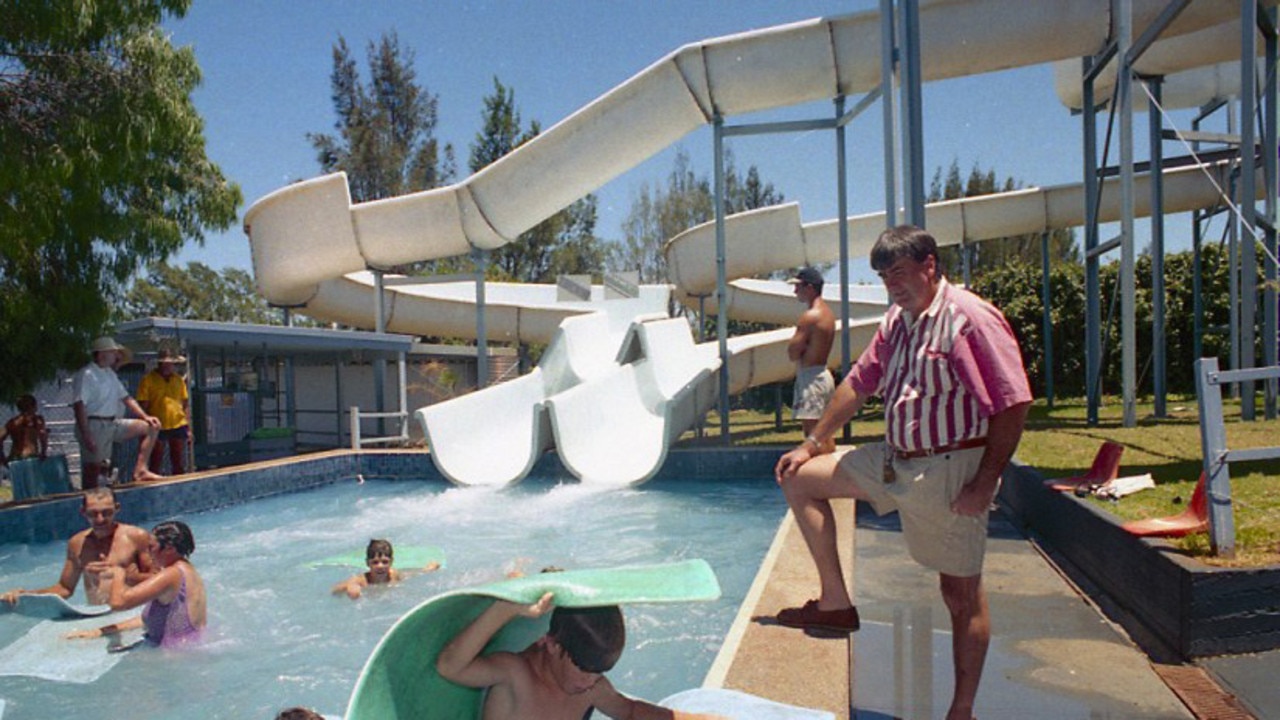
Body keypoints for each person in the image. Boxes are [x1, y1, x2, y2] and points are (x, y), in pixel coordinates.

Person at [773, 225, 1032, 720]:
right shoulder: (898, 319)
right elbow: (859, 383)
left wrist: (983, 483)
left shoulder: (970, 318)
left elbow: (1012, 403)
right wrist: (810, 444)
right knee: (798, 478)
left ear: (929, 265)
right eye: (882, 274)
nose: (891, 283)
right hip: (894, 460)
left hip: (950, 468)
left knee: (959, 593)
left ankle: (962, 710)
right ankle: (835, 604)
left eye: (899, 271)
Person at [437, 593, 725, 720]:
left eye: (600, 671)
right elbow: (450, 666)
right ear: (552, 644)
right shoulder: (515, 674)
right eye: (584, 668)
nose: (591, 681)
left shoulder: (592, 687)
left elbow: (630, 712)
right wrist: (505, 609)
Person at [0, 486, 155, 606]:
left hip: (131, 611)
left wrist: (126, 576)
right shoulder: (77, 543)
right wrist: (26, 595)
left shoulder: (137, 537)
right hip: (96, 614)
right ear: (83, 512)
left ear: (117, 508)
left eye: (106, 512)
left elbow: (161, 580)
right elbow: (65, 588)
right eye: (93, 514)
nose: (100, 519)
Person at [65, 520, 206, 647]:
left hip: (172, 656)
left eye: (152, 547)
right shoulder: (189, 570)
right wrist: (100, 631)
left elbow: (118, 603)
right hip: (187, 648)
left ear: (169, 548)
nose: (149, 552)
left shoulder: (171, 574)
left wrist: (118, 573)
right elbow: (155, 618)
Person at [72, 336, 164, 487]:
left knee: (150, 427)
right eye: (113, 352)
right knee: (94, 468)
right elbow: (79, 404)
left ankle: (140, 470)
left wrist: (146, 417)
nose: (116, 356)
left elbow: (127, 398)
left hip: (113, 423)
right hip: (94, 424)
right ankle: (89, 500)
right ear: (102, 354)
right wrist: (86, 434)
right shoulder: (87, 374)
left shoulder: (110, 374)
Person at [786, 266, 837, 455]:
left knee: (812, 433)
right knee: (824, 432)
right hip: (822, 374)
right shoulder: (828, 314)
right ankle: (831, 475)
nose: (795, 291)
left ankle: (821, 478)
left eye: (798, 286)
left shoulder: (810, 317)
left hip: (811, 378)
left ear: (810, 287)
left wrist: (799, 347)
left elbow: (792, 352)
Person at [135, 349, 192, 476]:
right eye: (165, 363)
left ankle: (179, 485)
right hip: (157, 424)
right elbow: (143, 405)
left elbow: (185, 404)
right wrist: (143, 426)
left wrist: (188, 427)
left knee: (178, 460)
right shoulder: (148, 380)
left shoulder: (178, 380)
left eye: (171, 363)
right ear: (159, 364)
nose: (168, 366)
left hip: (178, 423)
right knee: (156, 459)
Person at [331, 538, 440, 600]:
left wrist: (427, 570)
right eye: (375, 562)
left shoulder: (394, 575)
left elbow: (413, 574)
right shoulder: (362, 580)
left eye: (384, 562)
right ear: (367, 563)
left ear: (391, 562)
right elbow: (335, 589)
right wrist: (350, 587)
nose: (380, 566)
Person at [1, 394, 49, 465]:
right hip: (31, 457)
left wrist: (2, 459)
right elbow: (43, 436)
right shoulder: (37, 420)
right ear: (34, 406)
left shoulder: (13, 422)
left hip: (15, 457)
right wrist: (43, 452)